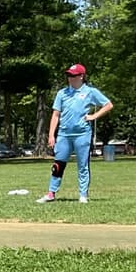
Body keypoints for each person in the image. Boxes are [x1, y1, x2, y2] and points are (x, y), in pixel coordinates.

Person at [36, 63, 113, 204]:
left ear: (81, 76)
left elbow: (108, 104)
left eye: (73, 76)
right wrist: (52, 134)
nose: (70, 78)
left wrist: (94, 116)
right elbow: (55, 115)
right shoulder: (62, 93)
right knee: (58, 164)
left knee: (83, 165)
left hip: (82, 134)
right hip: (64, 135)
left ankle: (83, 195)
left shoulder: (90, 92)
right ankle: (51, 193)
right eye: (68, 76)